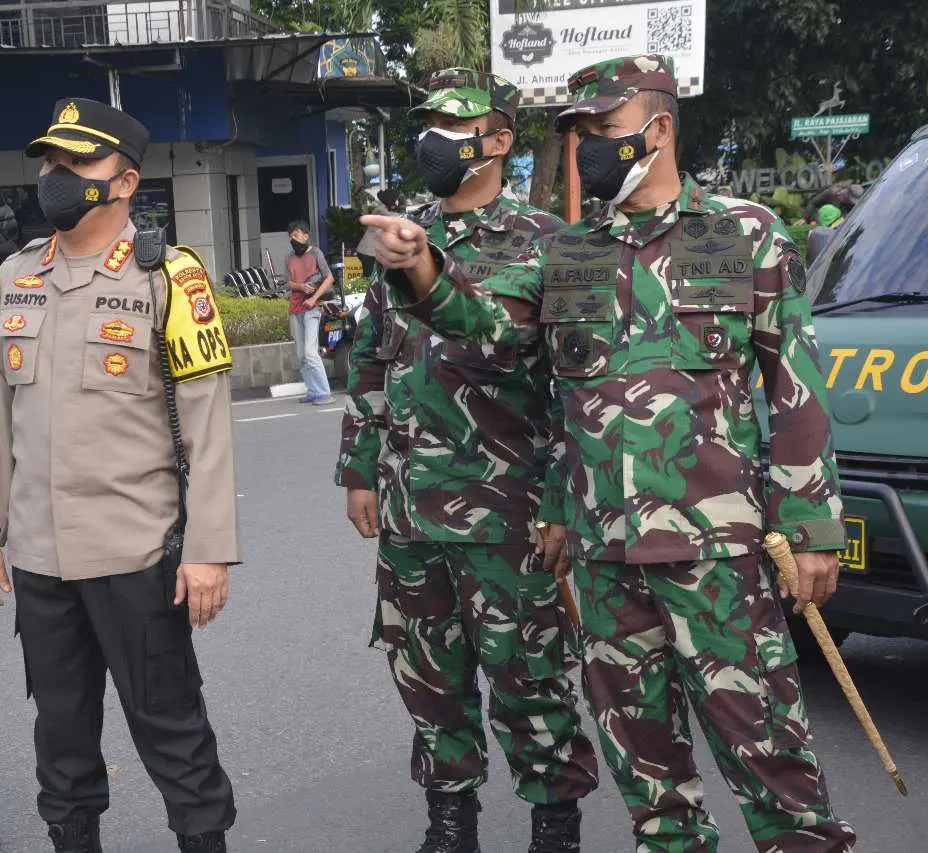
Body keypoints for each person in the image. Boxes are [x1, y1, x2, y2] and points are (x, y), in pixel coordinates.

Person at [362, 54, 857, 852]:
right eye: (576, 133)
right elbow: (495, 337)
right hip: (604, 559)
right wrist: (421, 266)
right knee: (651, 783)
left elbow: (795, 386)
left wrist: (811, 527)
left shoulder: (746, 232)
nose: (585, 147)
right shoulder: (569, 254)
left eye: (603, 130)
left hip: (717, 556)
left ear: (657, 130)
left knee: (771, 760)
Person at [0, 98, 239, 853]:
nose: (57, 176)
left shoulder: (169, 278)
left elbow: (206, 426)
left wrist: (207, 547)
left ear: (126, 180)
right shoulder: (15, 279)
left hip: (137, 555)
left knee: (173, 732)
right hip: (40, 563)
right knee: (63, 742)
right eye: (52, 162)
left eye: (77, 164)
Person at [337, 68, 598, 853]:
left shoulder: (546, 242)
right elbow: (371, 356)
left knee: (528, 678)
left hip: (508, 509)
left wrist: (558, 499)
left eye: (455, 124)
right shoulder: (399, 231)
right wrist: (357, 464)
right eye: (429, 123)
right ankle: (452, 820)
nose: (435, 140)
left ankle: (555, 822)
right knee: (427, 676)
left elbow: (569, 385)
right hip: (410, 505)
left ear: (499, 140)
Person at [284, 219, 335, 404]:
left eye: (297, 235)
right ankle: (313, 391)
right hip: (295, 308)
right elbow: (288, 282)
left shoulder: (316, 253)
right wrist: (300, 286)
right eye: (291, 236)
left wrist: (313, 298)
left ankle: (324, 393)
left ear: (306, 236)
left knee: (310, 351)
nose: (294, 239)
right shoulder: (289, 257)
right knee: (301, 355)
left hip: (312, 308)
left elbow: (329, 277)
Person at [357, 187, 400, 275]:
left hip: (372, 251)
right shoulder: (381, 211)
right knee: (369, 278)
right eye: (396, 199)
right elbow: (396, 219)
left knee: (376, 278)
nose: (397, 201)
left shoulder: (385, 209)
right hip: (368, 252)